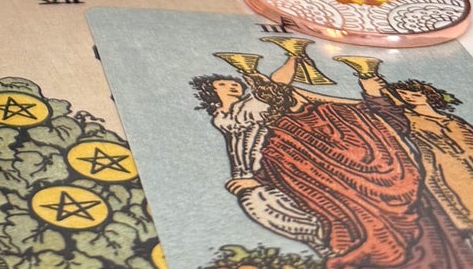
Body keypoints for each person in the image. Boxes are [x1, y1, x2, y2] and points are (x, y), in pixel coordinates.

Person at [244, 50, 466, 269]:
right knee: (429, 247)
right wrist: (372, 91)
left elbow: (275, 163)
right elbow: (391, 123)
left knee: (423, 248)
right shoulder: (307, 122)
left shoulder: (291, 128)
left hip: (360, 201)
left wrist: (257, 180)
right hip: (372, 196)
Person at [192, 74, 325, 250]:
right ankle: (326, 248)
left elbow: (278, 82)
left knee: (282, 210)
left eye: (235, 83)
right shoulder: (222, 115)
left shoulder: (253, 104)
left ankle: (330, 246)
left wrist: (293, 56)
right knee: (264, 209)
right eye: (223, 84)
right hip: (246, 177)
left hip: (270, 172)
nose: (232, 86)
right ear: (210, 91)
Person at [362, 75, 473, 236]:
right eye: (404, 95)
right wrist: (371, 89)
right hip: (446, 172)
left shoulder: (455, 120)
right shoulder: (407, 118)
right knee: (464, 211)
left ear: (429, 96)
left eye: (415, 94)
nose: (409, 97)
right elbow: (385, 111)